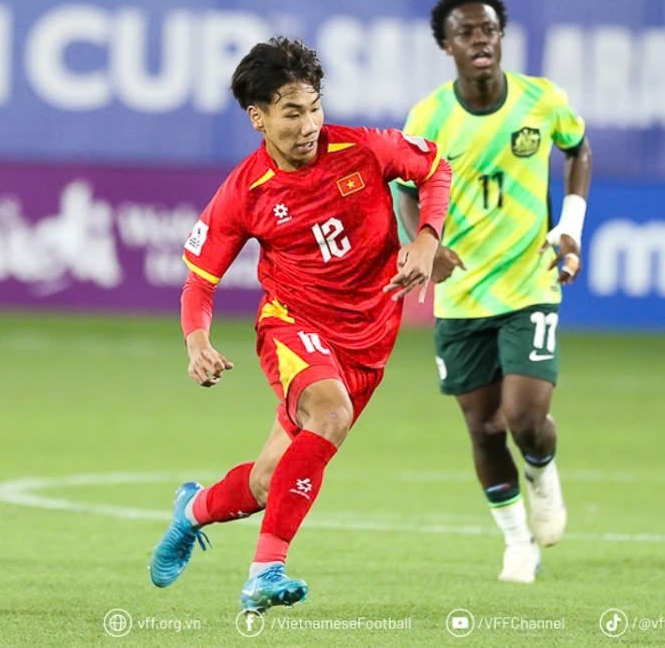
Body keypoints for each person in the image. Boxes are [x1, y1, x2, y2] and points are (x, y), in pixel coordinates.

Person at [148, 37, 449, 613]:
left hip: (368, 341)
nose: (309, 124)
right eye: (292, 112)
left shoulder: (364, 149)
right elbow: (199, 281)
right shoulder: (245, 191)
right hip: (294, 324)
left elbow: (436, 167)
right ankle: (266, 571)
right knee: (329, 413)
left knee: (269, 483)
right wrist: (198, 341)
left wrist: (427, 239)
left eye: (314, 107)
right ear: (258, 118)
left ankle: (191, 510)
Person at [394, 0, 593, 583]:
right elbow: (403, 186)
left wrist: (569, 228)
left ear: (500, 37)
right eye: (467, 33)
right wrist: (425, 246)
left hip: (529, 282)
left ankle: (541, 471)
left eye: (489, 30)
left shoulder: (541, 99)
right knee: (482, 428)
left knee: (525, 417)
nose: (480, 40)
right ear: (446, 45)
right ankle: (516, 543)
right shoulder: (430, 117)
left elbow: (578, 150)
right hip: (460, 295)